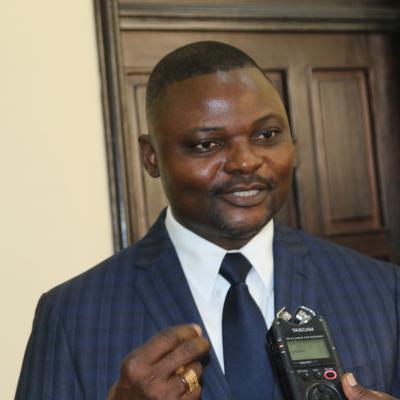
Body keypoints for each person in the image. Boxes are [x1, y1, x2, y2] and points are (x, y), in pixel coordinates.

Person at [16, 41, 399, 400]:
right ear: (151, 157)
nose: (246, 162)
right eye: (207, 144)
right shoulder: (72, 316)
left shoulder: (383, 290)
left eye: (267, 134)